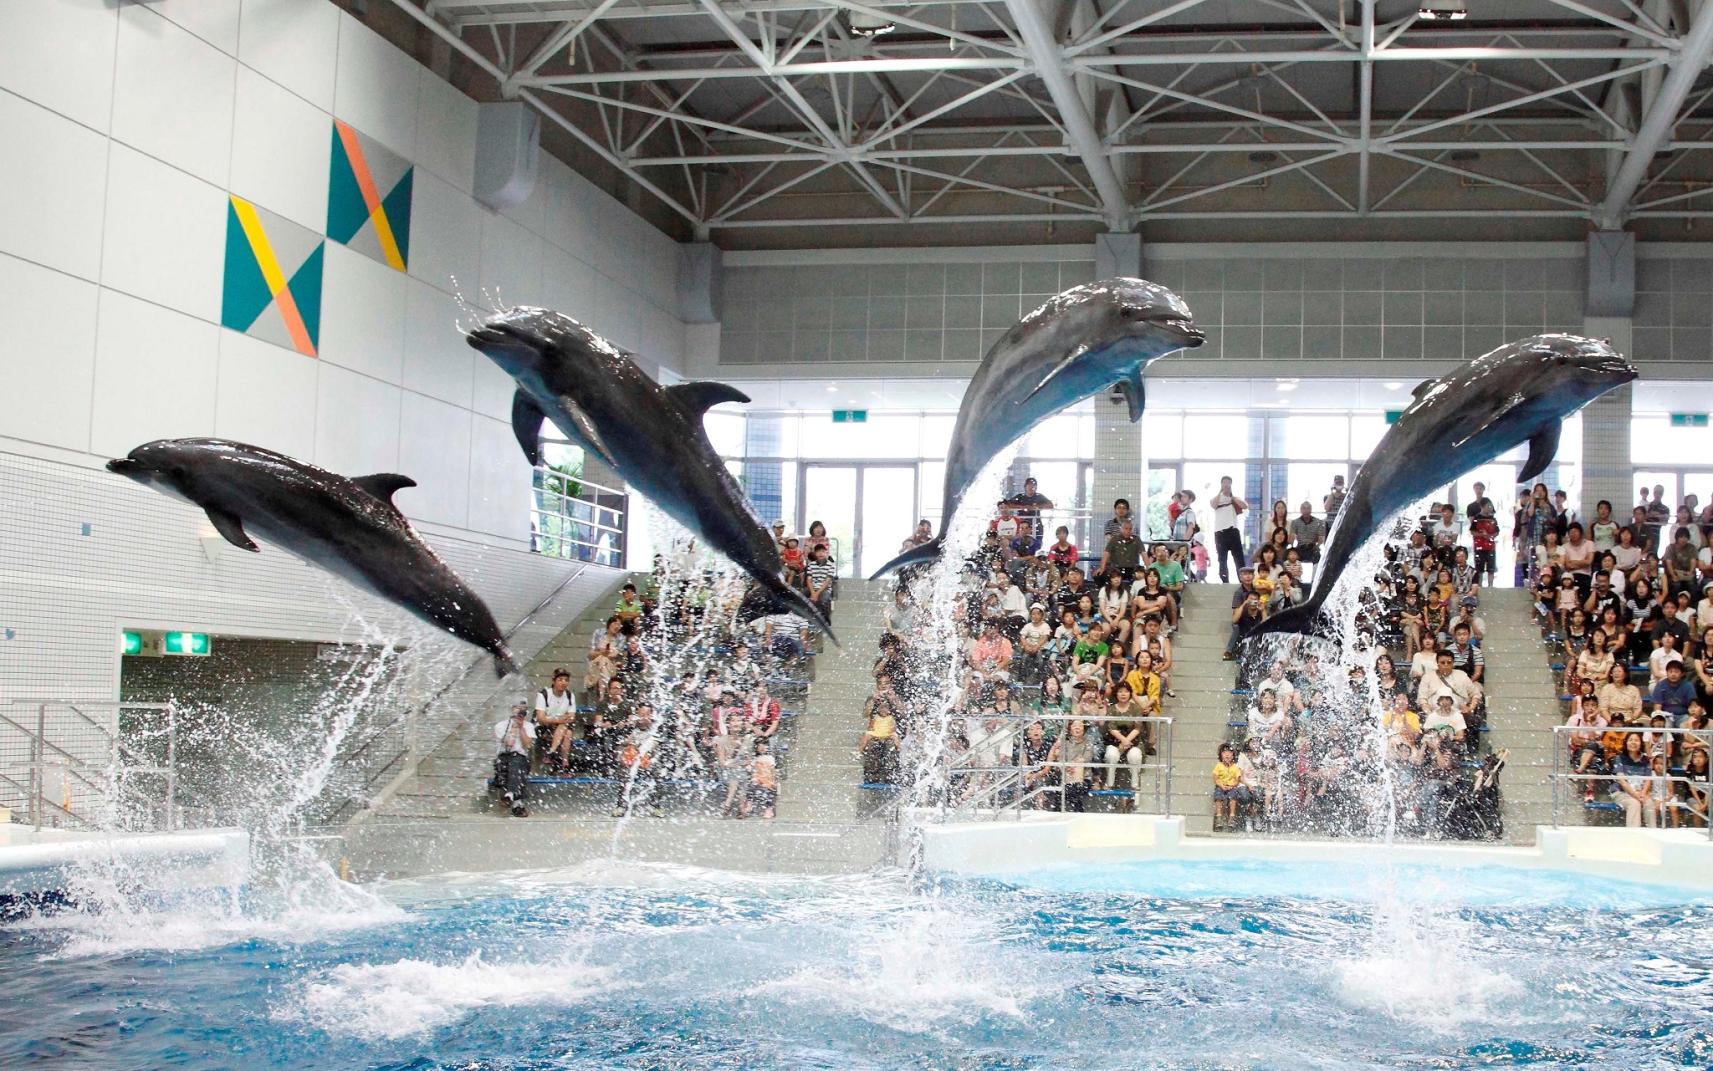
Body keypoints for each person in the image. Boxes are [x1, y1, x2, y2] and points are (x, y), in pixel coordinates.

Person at [493, 698, 534, 817]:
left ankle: (510, 794)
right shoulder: (501, 726)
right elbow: (507, 744)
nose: (521, 712)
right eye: (518, 709)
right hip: (503, 758)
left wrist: (521, 728)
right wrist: (513, 727)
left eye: (524, 710)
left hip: (520, 758)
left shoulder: (529, 726)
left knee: (517, 762)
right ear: (512, 710)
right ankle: (517, 804)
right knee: (512, 766)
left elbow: (527, 745)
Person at [534, 668, 579, 771]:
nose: (564, 683)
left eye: (566, 680)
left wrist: (561, 720)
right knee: (566, 730)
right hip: (544, 727)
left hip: (561, 726)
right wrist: (557, 719)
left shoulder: (569, 695)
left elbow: (571, 716)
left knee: (567, 732)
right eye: (560, 679)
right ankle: (565, 763)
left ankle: (552, 752)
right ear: (553, 681)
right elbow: (541, 719)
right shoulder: (543, 694)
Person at [1610, 731, 1657, 827]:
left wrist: (1643, 794)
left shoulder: (1645, 760)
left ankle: (1653, 832)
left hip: (1640, 792)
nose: (1633, 742)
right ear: (1626, 742)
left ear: (1641, 744)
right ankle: (1633, 834)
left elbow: (1648, 779)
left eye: (1636, 740)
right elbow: (1622, 781)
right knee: (1634, 804)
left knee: (1649, 804)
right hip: (1621, 792)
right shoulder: (1620, 758)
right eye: (1630, 740)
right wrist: (1635, 795)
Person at [1049, 718, 1098, 811]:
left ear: (1083, 729)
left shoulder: (1088, 743)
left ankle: (1074, 811)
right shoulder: (1065, 744)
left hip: (1083, 778)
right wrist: (1067, 767)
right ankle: (1076, 811)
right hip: (1067, 777)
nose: (1077, 728)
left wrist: (1073, 765)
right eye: (1075, 726)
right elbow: (1061, 759)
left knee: (1069, 790)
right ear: (1070, 729)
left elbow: (1086, 758)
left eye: (1080, 726)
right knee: (1062, 790)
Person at [1210, 475, 1247, 583]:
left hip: (1233, 530)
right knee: (1222, 559)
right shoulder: (1216, 498)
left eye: (1228, 483)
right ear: (1221, 484)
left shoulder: (1235, 498)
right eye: (1224, 482)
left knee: (1239, 558)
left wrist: (1232, 497)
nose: (1226, 485)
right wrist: (1220, 492)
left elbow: (1244, 506)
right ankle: (1225, 581)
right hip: (1220, 532)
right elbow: (1213, 505)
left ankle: (1243, 581)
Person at [1213, 743, 1249, 831]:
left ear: (1233, 755)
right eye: (1224, 752)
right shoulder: (1219, 766)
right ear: (1221, 755)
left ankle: (1232, 816)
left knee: (1233, 796)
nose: (1227, 754)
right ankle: (1218, 817)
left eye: (1230, 752)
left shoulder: (1235, 767)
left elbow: (1238, 779)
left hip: (1231, 787)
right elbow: (1216, 778)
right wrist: (1221, 785)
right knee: (1218, 795)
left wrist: (1231, 786)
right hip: (1221, 786)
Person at [743, 738, 777, 819]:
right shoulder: (755, 759)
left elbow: (772, 770)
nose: (762, 748)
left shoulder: (770, 758)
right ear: (756, 748)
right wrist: (748, 764)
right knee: (751, 786)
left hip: (767, 779)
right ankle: (749, 803)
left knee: (768, 791)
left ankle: (769, 809)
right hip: (757, 779)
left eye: (764, 746)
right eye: (759, 747)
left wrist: (774, 780)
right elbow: (750, 769)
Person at [1290, 502, 1326, 567]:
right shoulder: (1295, 522)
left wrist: (1317, 546)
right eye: (1304, 508)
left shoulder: (1318, 522)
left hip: (1312, 547)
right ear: (1301, 510)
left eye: (1308, 508)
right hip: (1300, 547)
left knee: (1318, 558)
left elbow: (1321, 538)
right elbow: (1292, 536)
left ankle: (1315, 576)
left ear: (1311, 510)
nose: (1306, 511)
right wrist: (1292, 548)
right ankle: (1295, 576)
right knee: (1292, 557)